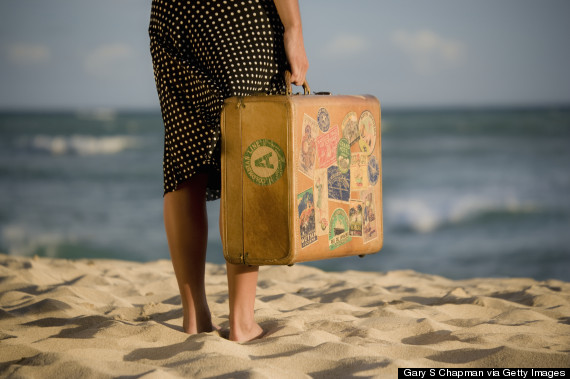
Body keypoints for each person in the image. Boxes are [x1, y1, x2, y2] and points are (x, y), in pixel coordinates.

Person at [149, 0, 308, 342]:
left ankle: (195, 318)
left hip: (174, 15)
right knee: (248, 155)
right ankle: (242, 322)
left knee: (185, 159)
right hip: (238, 16)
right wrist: (293, 29)